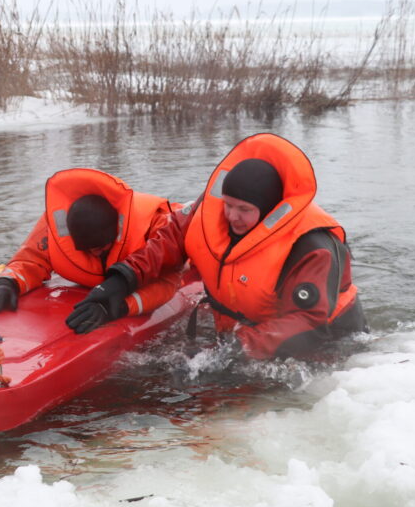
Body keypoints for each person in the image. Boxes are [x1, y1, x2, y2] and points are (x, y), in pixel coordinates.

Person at [75, 133, 366, 359]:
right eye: (228, 205)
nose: (231, 216)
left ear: (269, 210)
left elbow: (307, 321)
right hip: (240, 332)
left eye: (243, 209)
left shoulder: (312, 246)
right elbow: (166, 243)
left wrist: (231, 352)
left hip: (328, 344)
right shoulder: (208, 216)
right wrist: (118, 281)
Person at [0, 168, 182, 334]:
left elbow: (168, 281)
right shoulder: (58, 225)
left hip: (168, 244)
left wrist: (117, 307)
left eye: (100, 248)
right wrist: (6, 283)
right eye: (88, 250)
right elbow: (30, 260)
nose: (95, 255)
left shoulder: (156, 225)